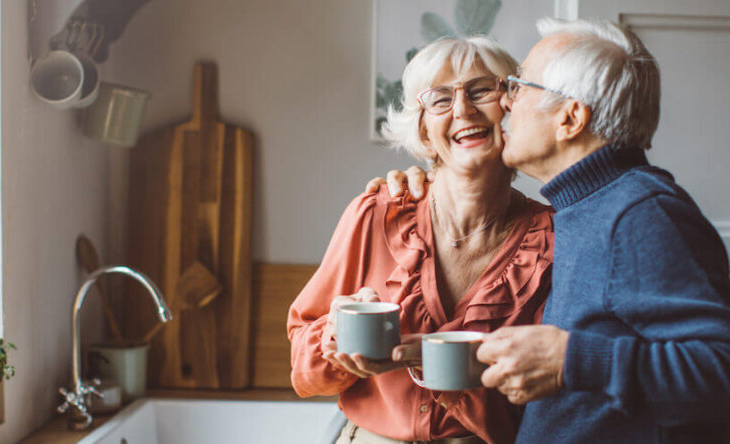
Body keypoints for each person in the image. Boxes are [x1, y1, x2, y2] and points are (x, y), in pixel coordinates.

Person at [371, 17, 730, 443]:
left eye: (520, 86)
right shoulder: (586, 207)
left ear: (570, 118)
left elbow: (720, 371)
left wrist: (570, 360)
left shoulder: (639, 214)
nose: (505, 102)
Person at [288, 36, 555, 444]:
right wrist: (334, 336)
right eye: (440, 100)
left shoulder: (553, 239)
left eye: (482, 89)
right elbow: (303, 368)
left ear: (512, 109)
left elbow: (551, 396)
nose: (463, 109)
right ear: (425, 133)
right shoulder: (376, 212)